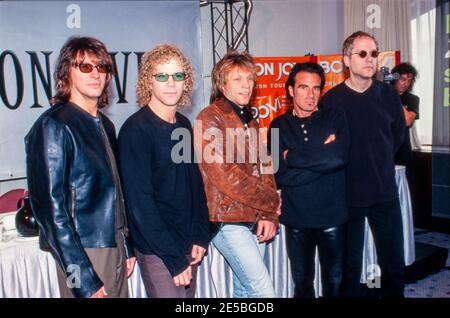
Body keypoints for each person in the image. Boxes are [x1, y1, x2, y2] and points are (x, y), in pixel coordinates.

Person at [25, 36, 136, 298]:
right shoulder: (53, 125)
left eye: (102, 67)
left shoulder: (105, 126)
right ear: (67, 73)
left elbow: (117, 194)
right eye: (85, 67)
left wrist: (127, 246)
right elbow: (52, 213)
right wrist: (82, 278)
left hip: (114, 244)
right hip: (84, 250)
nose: (95, 74)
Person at [118, 44, 210, 298]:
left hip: (187, 244)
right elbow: (140, 206)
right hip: (158, 251)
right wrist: (172, 258)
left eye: (177, 76)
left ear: (186, 81)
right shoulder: (135, 131)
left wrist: (201, 235)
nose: (171, 83)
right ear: (149, 80)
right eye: (162, 76)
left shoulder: (182, 123)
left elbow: (194, 185)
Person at [321, 31, 406, 298]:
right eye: (362, 53)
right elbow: (328, 148)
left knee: (392, 261)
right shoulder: (331, 100)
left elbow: (397, 136)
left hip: (384, 192)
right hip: (348, 195)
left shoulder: (388, 95)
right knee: (350, 265)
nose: (369, 59)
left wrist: (377, 161)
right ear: (347, 59)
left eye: (373, 53)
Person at [194, 50, 281, 298]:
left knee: (244, 292)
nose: (246, 86)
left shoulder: (250, 121)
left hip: (254, 218)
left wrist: (269, 214)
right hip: (227, 220)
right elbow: (225, 175)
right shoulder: (209, 117)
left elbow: (265, 168)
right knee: (264, 293)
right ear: (222, 84)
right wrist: (271, 202)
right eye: (237, 79)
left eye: (249, 79)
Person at [268, 62, 350, 298]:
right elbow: (279, 173)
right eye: (304, 88)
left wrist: (291, 156)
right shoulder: (277, 126)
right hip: (297, 220)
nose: (310, 95)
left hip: (333, 217)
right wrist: (322, 158)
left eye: (316, 88)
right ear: (291, 90)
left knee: (334, 283)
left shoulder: (335, 116)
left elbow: (339, 158)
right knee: (302, 283)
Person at [391, 62, 420, 184]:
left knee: (404, 188)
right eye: (403, 79)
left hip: (403, 151)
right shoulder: (380, 96)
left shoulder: (412, 99)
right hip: (382, 150)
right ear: (394, 78)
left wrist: (394, 97)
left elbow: (408, 121)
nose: (406, 84)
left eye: (409, 80)